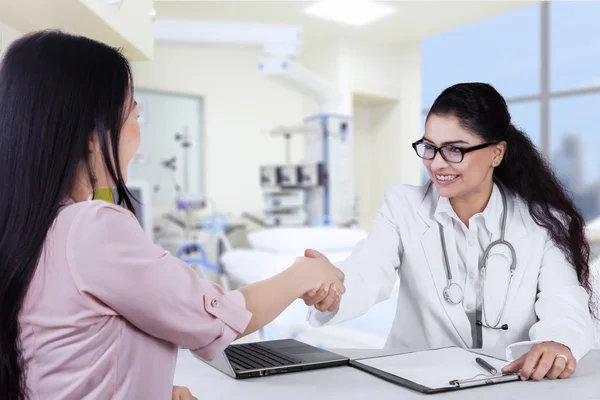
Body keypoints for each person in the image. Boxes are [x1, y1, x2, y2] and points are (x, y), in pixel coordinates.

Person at [0, 31, 345, 400]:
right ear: (92, 134)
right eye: (135, 113)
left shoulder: (29, 229)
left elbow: (64, 360)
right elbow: (211, 317)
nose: (138, 131)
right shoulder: (89, 227)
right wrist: (305, 274)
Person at [302, 82, 597, 382]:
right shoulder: (403, 206)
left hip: (508, 386)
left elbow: (564, 301)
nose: (436, 163)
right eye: (429, 147)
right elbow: (367, 270)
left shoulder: (542, 222)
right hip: (414, 383)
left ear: (497, 153)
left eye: (455, 149)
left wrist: (558, 341)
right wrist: (333, 291)